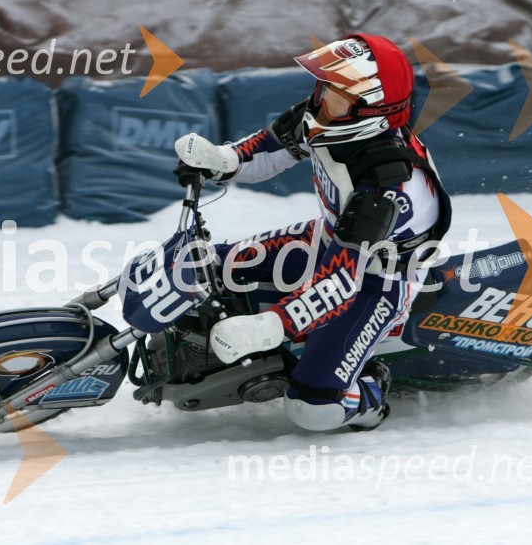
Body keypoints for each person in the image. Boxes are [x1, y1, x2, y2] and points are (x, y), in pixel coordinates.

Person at [173, 34, 452, 431]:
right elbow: (270, 148)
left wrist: (272, 326)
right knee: (207, 263)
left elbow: (340, 282)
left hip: (378, 277)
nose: (320, 101)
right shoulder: (331, 118)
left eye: (336, 96)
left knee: (313, 409)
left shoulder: (386, 188)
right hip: (331, 238)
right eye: (323, 88)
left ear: (370, 110)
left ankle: (370, 391)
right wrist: (220, 160)